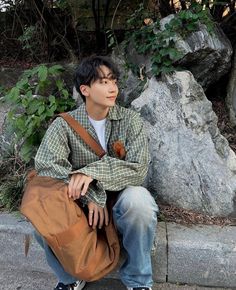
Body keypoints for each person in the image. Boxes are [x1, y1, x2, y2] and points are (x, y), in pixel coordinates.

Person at [34, 55, 158, 290]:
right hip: (80, 204)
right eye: (103, 82)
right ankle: (69, 278)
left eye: (113, 81)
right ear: (85, 89)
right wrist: (90, 195)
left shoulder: (130, 120)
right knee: (42, 212)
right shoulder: (65, 124)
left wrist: (92, 174)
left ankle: (138, 282)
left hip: (121, 198)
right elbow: (47, 167)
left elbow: (138, 168)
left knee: (140, 201)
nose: (112, 88)